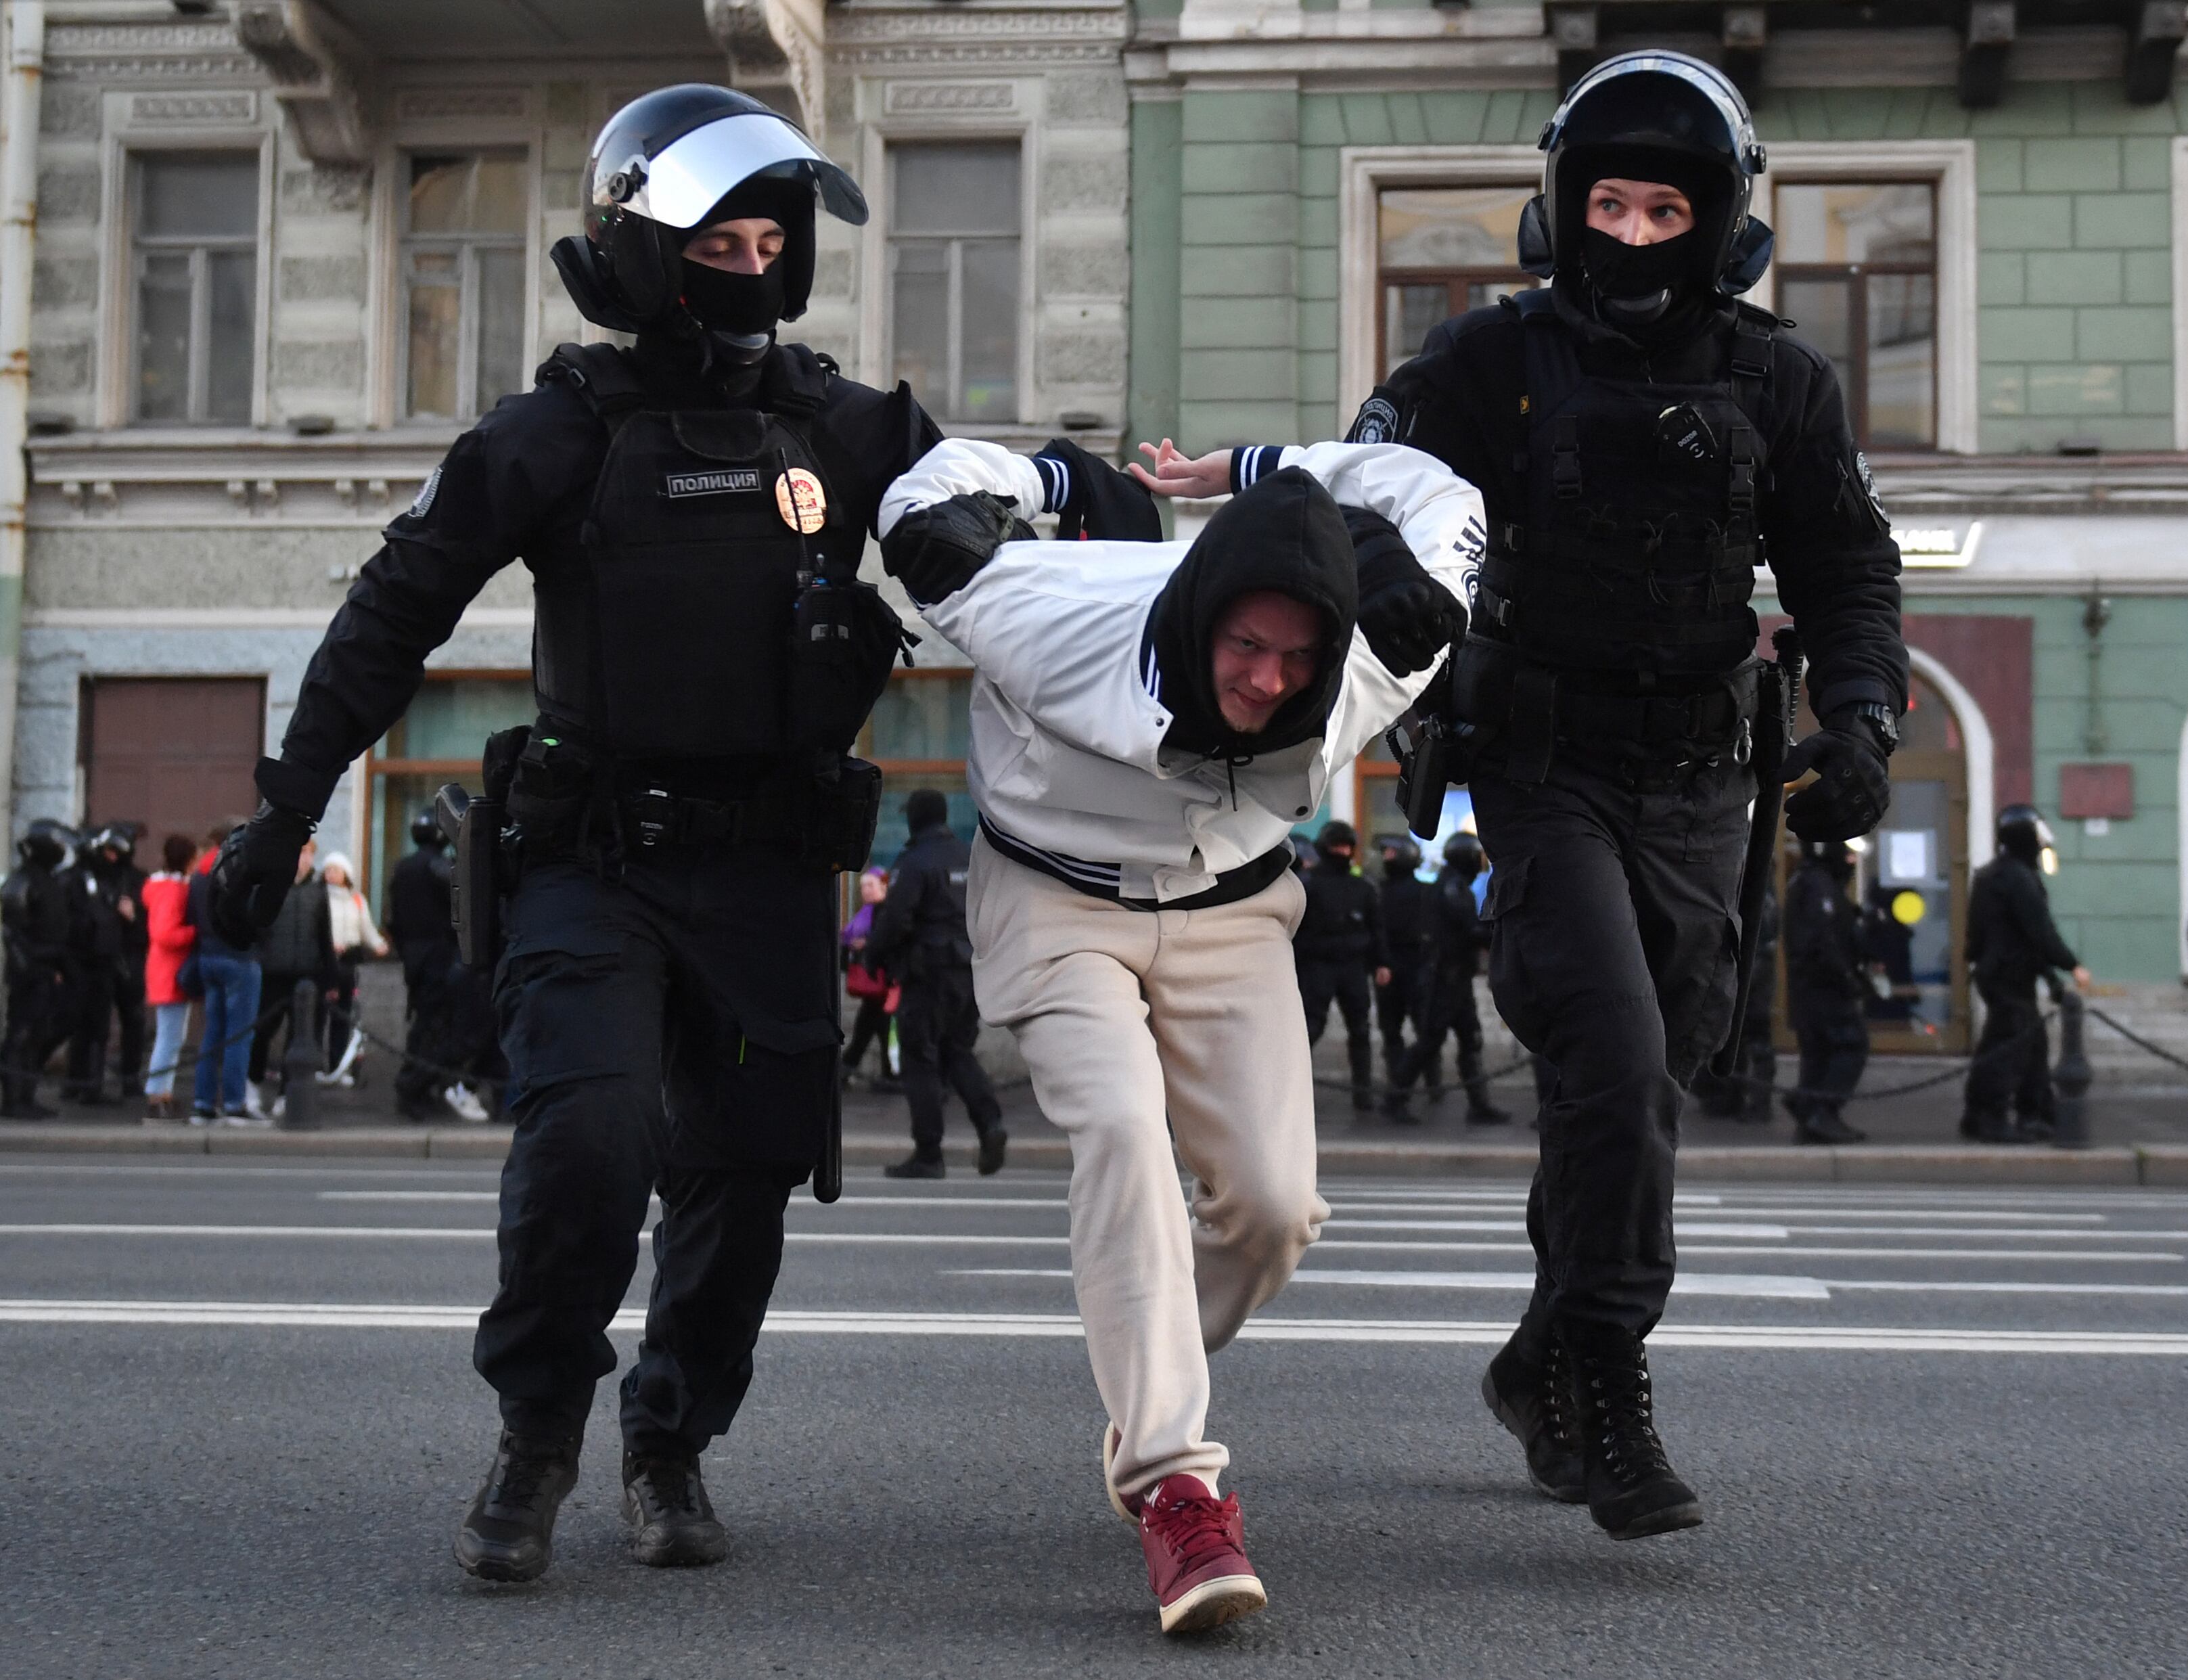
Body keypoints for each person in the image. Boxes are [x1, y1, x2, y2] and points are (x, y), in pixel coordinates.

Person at [1143, 49, 1910, 1541]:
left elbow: (1846, 565)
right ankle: (1609, 1374)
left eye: (1663, 208)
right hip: (1545, 771)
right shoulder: (1487, 359)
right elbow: (1358, 492)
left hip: (1706, 783)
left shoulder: (1781, 378)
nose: (1631, 235)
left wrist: (1864, 714)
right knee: (1613, 1064)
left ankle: (1541, 1351)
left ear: (1718, 219)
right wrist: (1389, 612)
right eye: (1607, 202)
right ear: (1565, 203)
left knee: (1645, 1084)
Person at [208, 87, 943, 1584]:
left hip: (768, 870)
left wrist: (1214, 528)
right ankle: (540, 1429)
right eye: (716, 241)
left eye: (768, 240)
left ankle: (670, 1439)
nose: (748, 267)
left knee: (741, 1184)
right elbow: (392, 613)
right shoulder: (557, 433)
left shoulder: (847, 427)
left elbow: (1018, 531)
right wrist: (281, 816)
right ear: (640, 252)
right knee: (590, 1144)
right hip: (595, 860)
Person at [879, 428, 1478, 1631]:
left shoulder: (1386, 647)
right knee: (1120, 1134)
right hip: (1053, 901)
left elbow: (1439, 493)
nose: (1266, 680)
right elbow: (918, 501)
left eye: (1294, 660)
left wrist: (1267, 466)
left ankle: (1144, 1361)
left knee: (1270, 1209)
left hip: (1233, 909)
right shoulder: (1045, 606)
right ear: (1194, 615)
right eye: (1244, 647)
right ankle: (1173, 1486)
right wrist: (1048, 478)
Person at [871, 788, 1006, 1179]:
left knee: (921, 1060)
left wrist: (874, 957)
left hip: (927, 975)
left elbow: (895, 919)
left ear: (915, 819)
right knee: (958, 1051)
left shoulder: (915, 862)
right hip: (969, 972)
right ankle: (990, 1123)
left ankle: (929, 1154)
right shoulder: (968, 858)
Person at [1961, 804, 2089, 1145]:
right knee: (2008, 1049)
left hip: (2005, 973)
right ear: (2024, 837)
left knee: (2029, 1045)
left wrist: (2051, 980)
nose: (2042, 842)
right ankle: (1990, 1117)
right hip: (2007, 976)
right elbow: (2039, 933)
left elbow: (2024, 937)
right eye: (2037, 834)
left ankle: (2035, 1115)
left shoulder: (1998, 874)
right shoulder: (2017, 878)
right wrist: (2070, 964)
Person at [1383, 831, 1508, 1125]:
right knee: (1430, 1041)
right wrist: (1500, 934)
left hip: (1455, 978)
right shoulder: (1452, 887)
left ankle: (1479, 1105)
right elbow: (1470, 930)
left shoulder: (1454, 884)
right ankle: (1395, 1098)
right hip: (1444, 979)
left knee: (1470, 1039)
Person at [1292, 819, 1389, 1112]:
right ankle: (1293, 1091)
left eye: (1347, 847)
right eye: (1337, 846)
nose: (1342, 852)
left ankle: (1363, 1093)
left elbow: (1376, 928)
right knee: (1310, 1028)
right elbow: (1296, 930)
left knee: (1360, 1029)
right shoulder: (1308, 885)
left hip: (1352, 968)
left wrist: (1382, 963)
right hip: (1318, 966)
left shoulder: (1362, 886)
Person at [1780, 840, 1869, 1144]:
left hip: (1812, 989)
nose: (1850, 862)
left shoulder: (1810, 883)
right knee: (1850, 1047)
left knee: (1818, 1055)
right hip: (1824, 990)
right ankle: (1819, 1111)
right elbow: (1822, 943)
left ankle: (1811, 1113)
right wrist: (1848, 979)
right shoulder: (1818, 886)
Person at [246, 838, 338, 1118]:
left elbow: (325, 935)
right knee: (261, 1032)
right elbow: (256, 927)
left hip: (306, 974)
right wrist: (259, 959)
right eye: (299, 853)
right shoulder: (270, 887)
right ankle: (252, 1084)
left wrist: (329, 977)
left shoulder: (317, 890)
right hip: (273, 972)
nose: (304, 860)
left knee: (297, 1037)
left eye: (308, 854)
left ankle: (287, 1094)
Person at [64, 824, 148, 1105]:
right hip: (94, 961)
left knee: (133, 1021)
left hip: (128, 960)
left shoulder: (135, 880)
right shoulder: (84, 879)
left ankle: (129, 1079)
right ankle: (81, 1082)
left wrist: (132, 917)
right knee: (87, 1024)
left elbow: (146, 926)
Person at [187, 825, 264, 1125]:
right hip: (239, 958)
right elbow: (255, 916)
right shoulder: (239, 870)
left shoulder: (199, 874)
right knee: (239, 1036)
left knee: (212, 1033)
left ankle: (203, 1103)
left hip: (208, 956)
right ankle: (234, 1103)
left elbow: (192, 914)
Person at [1, 819, 77, 1118]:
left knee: (41, 1033)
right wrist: (30, 968)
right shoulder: (21, 882)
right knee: (21, 1034)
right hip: (30, 974)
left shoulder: (49, 881)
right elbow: (13, 934)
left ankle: (28, 1095)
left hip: (49, 970)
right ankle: (13, 1099)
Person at [1691, 876, 1776, 1121]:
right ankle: (1738, 1099)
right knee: (1739, 1038)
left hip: (1748, 968)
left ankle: (1750, 1101)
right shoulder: (1757, 883)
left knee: (1747, 1037)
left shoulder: (1744, 881)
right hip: (1749, 966)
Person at [141, 834, 200, 1122]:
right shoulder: (173, 891)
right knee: (170, 1037)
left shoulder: (161, 888)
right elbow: (165, 934)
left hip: (165, 970)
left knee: (172, 1036)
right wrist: (194, 933)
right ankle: (157, 1092)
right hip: (171, 971)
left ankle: (162, 1091)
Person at [1373, 833, 1436, 1099]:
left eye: (1390, 853)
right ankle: (1416, 1084)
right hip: (1402, 967)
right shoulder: (1382, 890)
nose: (1385, 858)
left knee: (1412, 1030)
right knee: (1404, 1030)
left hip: (1409, 967)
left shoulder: (1385, 891)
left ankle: (1405, 1084)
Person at [318, 852, 388, 1079]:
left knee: (344, 1014)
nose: (331, 874)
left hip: (348, 961)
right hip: (326, 960)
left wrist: (379, 944)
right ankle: (315, 1062)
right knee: (319, 1013)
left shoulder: (356, 900)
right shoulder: (320, 897)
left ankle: (338, 1063)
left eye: (336, 870)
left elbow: (366, 928)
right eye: (328, 870)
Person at [840, 867, 898, 1089]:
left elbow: (886, 940)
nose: (865, 890)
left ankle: (849, 1068)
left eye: (870, 885)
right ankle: (886, 1072)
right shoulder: (868, 911)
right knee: (874, 1026)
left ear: (883, 886)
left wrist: (867, 944)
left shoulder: (885, 911)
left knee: (875, 1027)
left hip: (884, 980)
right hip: (875, 981)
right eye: (863, 886)